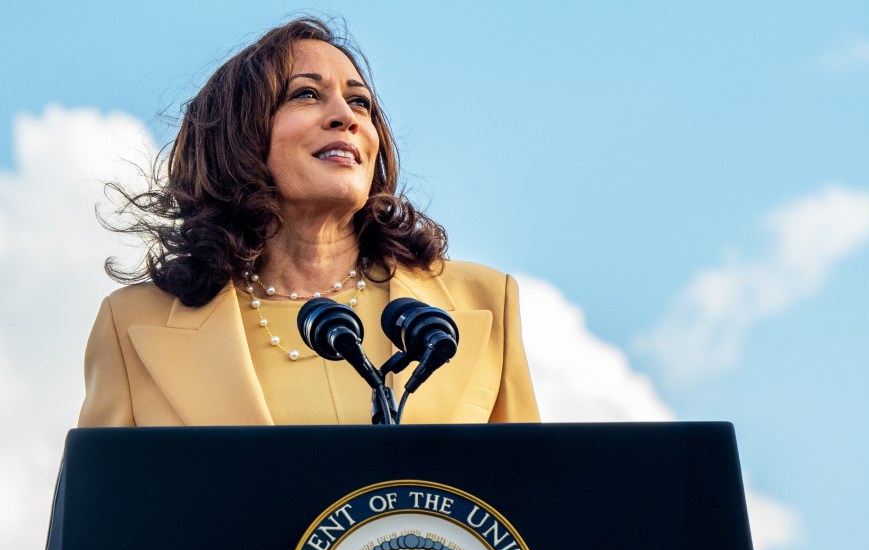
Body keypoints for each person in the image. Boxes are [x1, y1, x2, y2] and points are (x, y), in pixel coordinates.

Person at [79, 17, 538, 427]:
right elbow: (101, 515)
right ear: (238, 134)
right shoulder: (131, 325)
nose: (345, 117)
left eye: (360, 103)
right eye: (306, 94)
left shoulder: (485, 303)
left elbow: (530, 505)